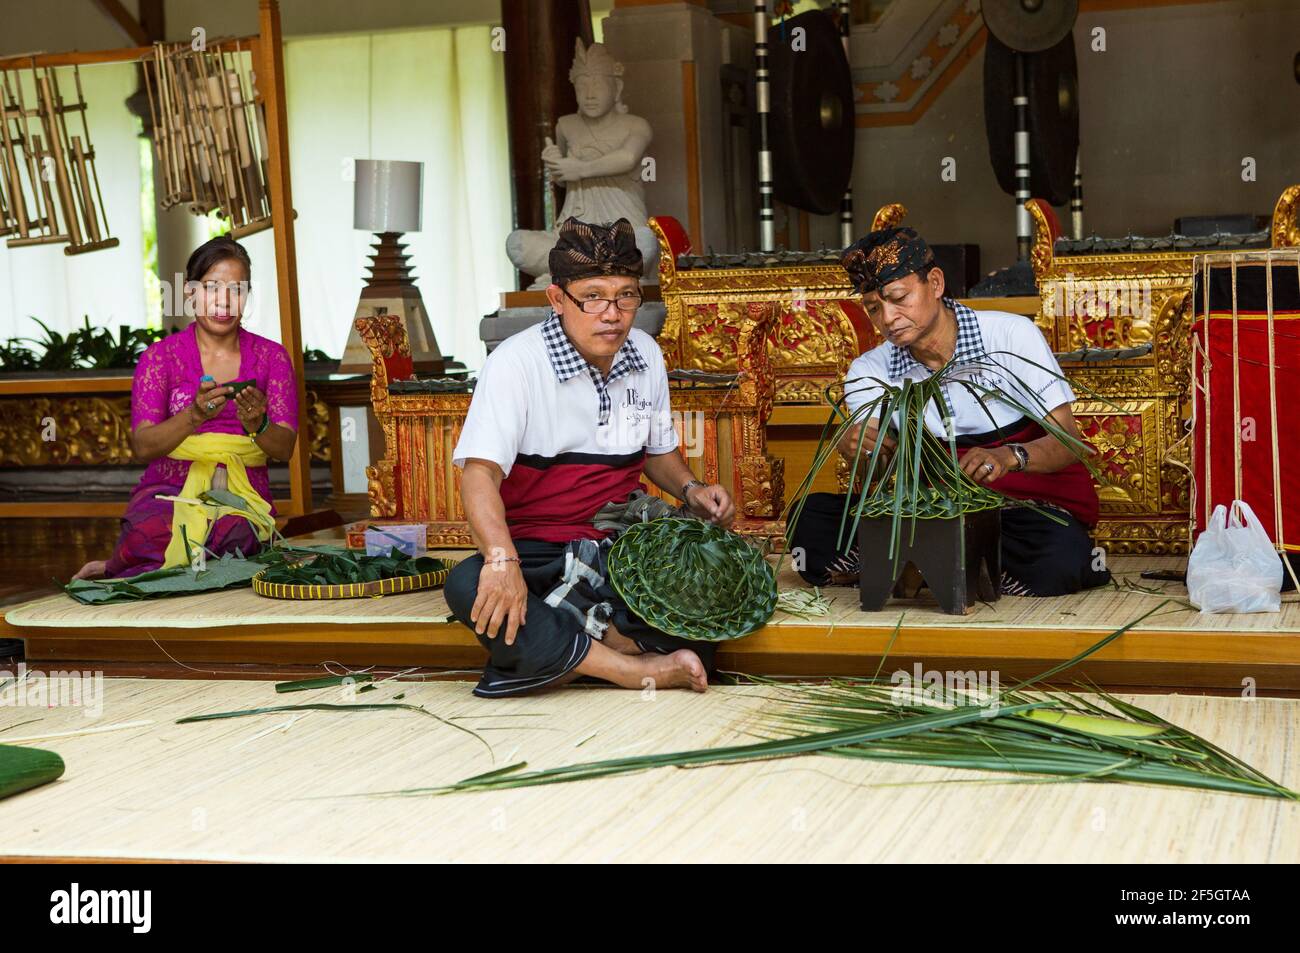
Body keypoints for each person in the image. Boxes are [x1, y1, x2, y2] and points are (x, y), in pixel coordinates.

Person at [445, 217, 736, 697]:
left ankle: (578, 653)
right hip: (537, 548)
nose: (613, 313)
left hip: (621, 543)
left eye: (626, 296)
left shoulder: (645, 354)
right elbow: (479, 477)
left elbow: (657, 454)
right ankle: (630, 665)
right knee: (470, 584)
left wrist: (692, 490)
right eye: (594, 296)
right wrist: (502, 560)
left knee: (710, 590)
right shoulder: (516, 364)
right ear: (558, 300)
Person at [790, 226, 1111, 597]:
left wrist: (1009, 456)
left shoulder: (1009, 337)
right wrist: (862, 449)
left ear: (936, 283)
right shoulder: (871, 370)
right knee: (811, 521)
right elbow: (874, 471)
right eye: (874, 308)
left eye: (899, 298)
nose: (888, 318)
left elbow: (1067, 442)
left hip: (1019, 511)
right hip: (933, 515)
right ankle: (951, 564)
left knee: (1060, 554)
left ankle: (924, 566)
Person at [73, 236, 298, 580]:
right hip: (169, 488)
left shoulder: (271, 358)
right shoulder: (160, 358)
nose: (224, 301)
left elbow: (284, 449)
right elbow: (143, 446)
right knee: (149, 536)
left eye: (236, 290)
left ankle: (122, 569)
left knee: (228, 541)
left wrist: (259, 425)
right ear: (190, 292)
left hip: (242, 493)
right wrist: (193, 416)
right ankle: (119, 566)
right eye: (211, 288)